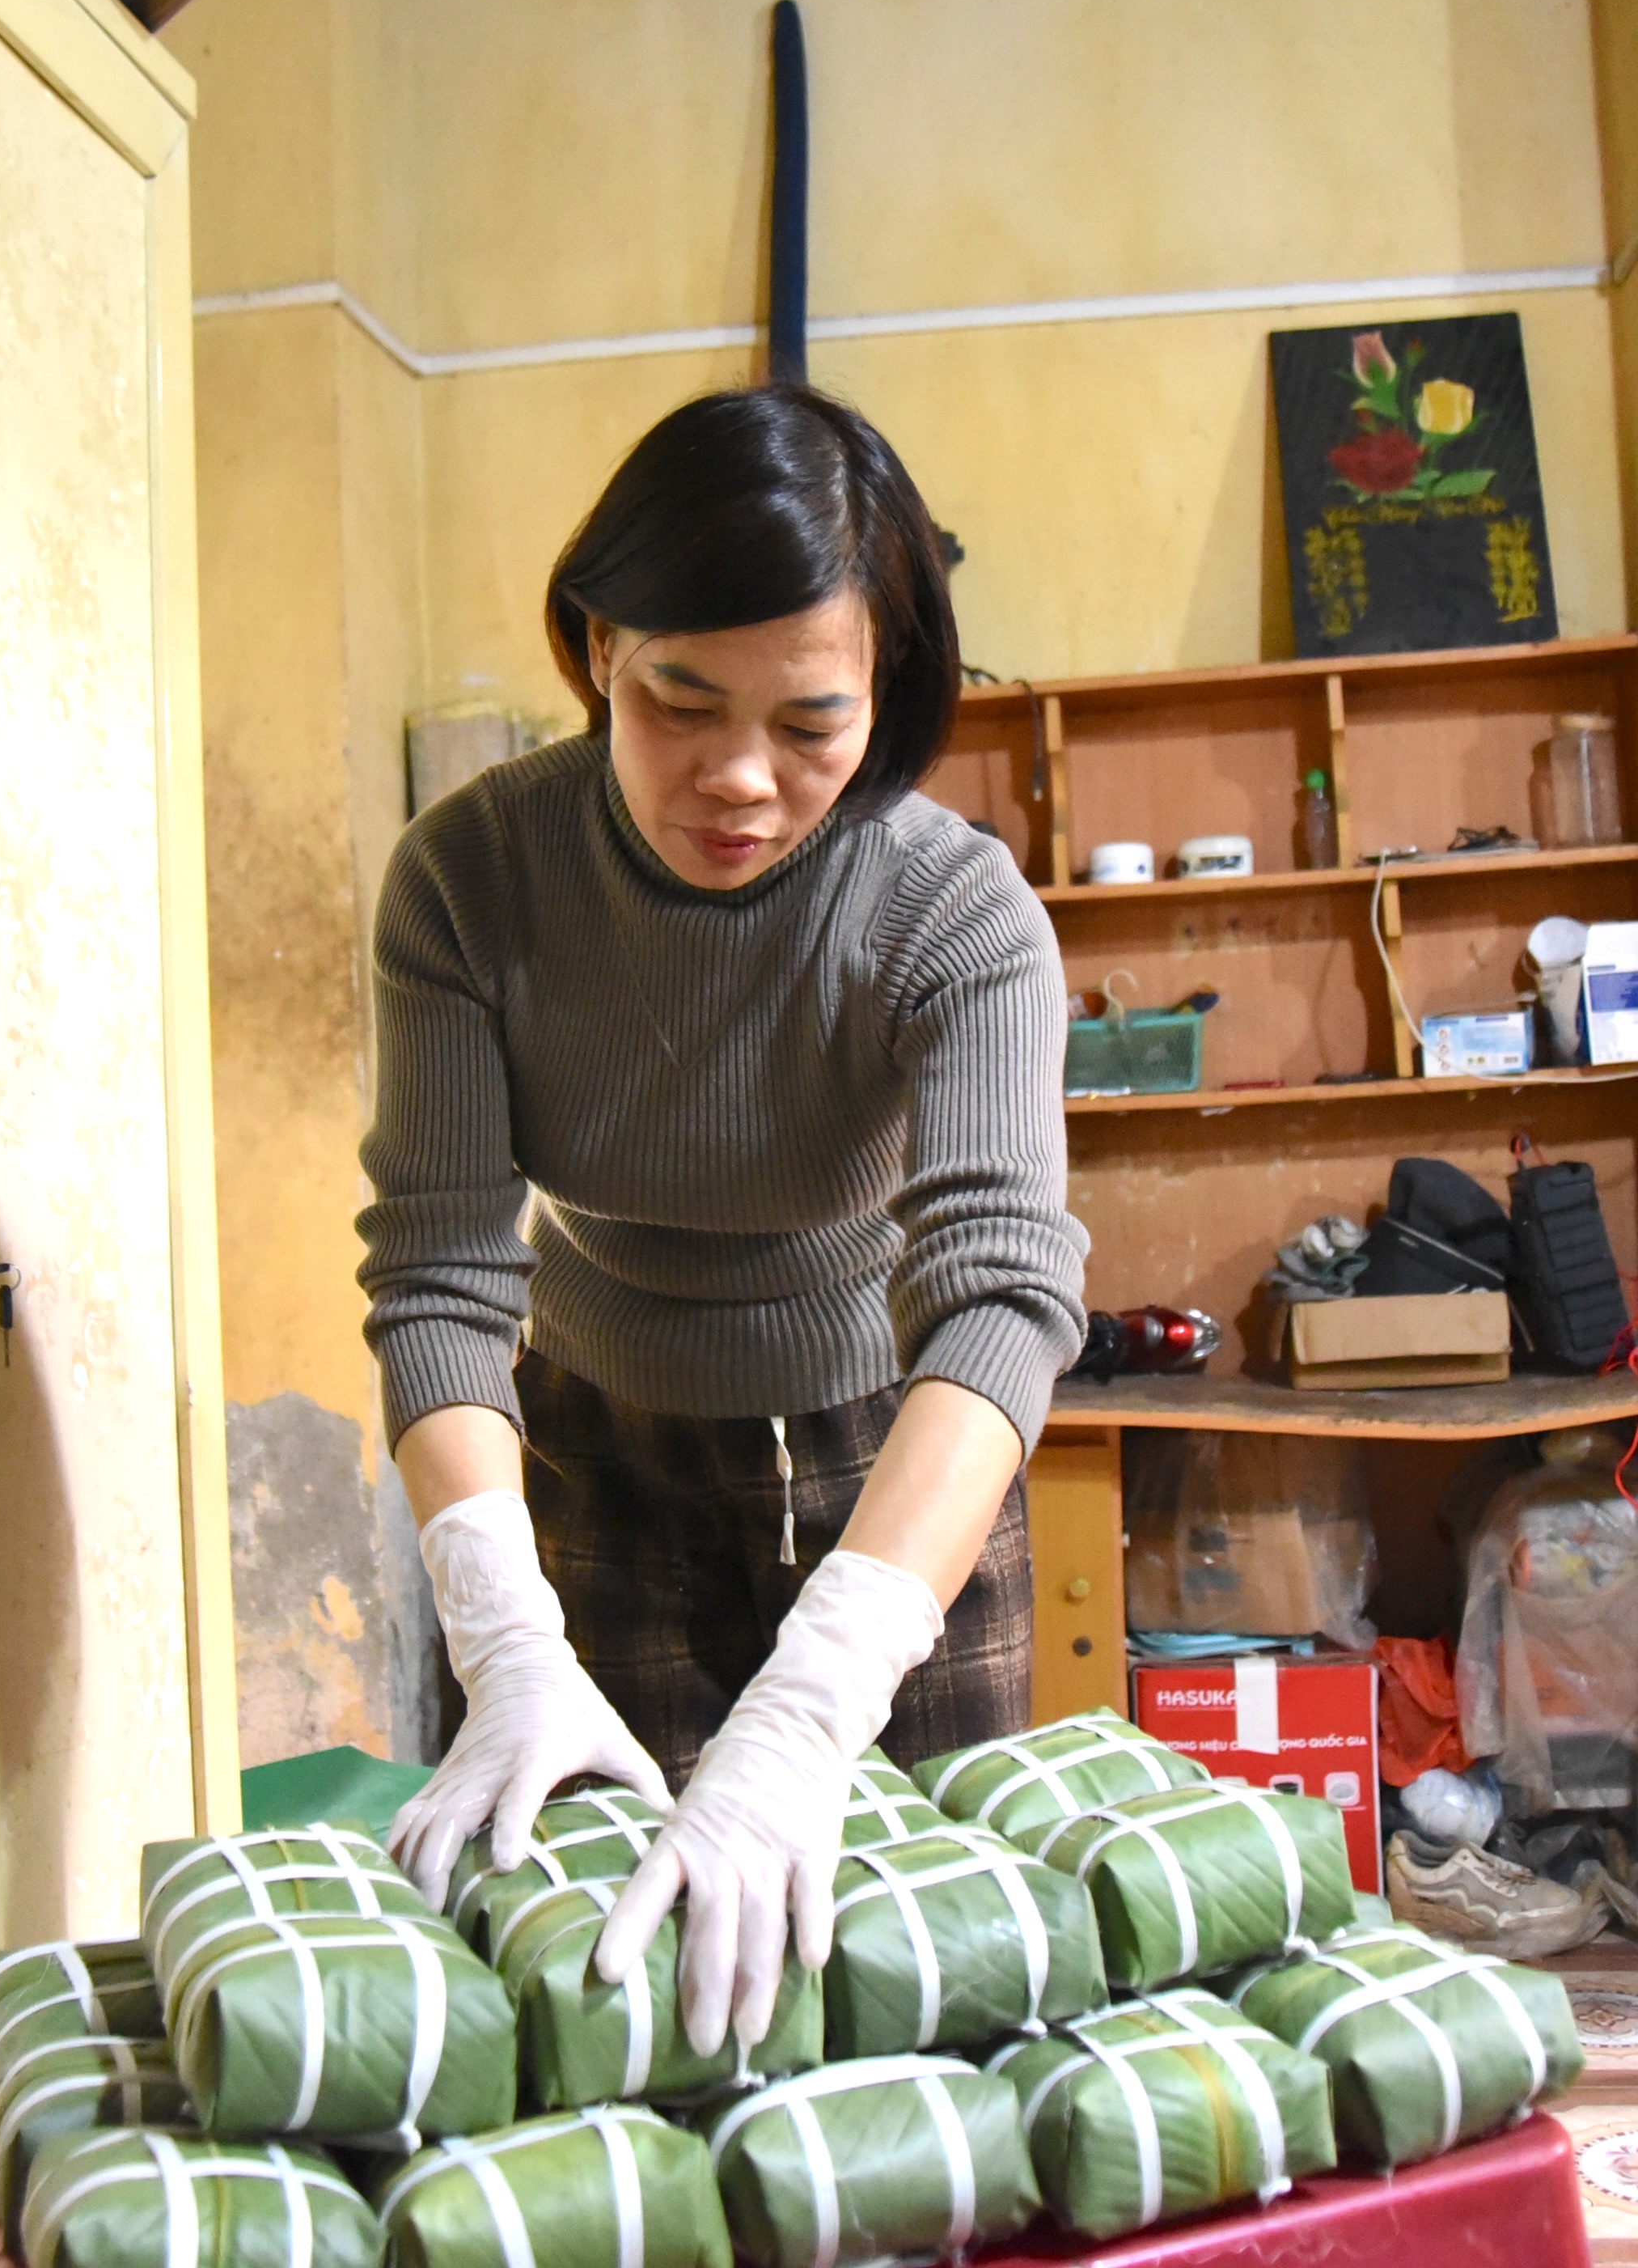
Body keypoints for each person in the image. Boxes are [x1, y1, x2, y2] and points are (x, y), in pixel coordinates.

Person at [356, 385, 1084, 2058]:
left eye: (811, 725)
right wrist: (501, 1631)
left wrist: (828, 1687)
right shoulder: (472, 882)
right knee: (638, 2001)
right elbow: (443, 1278)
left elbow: (997, 1306)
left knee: (933, 1980)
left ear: (888, 697)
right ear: (597, 640)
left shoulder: (953, 913)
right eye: (682, 698)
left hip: (896, 1469)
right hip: (601, 1457)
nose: (741, 778)